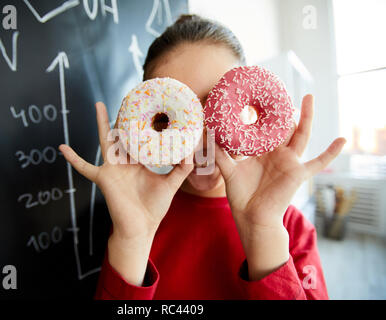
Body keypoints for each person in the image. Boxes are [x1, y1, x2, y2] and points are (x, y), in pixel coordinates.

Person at [59, 14, 346, 299]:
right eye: (171, 118)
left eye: (217, 108)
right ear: (151, 122)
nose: (199, 140)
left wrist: (264, 233)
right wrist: (132, 241)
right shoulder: (134, 218)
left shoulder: (291, 229)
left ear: (247, 107)